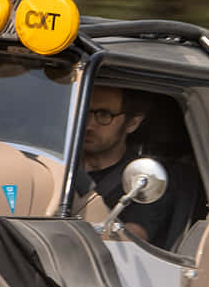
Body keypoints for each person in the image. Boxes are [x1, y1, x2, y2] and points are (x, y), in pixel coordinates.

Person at [75, 85, 191, 246]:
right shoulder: (58, 165)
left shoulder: (147, 178)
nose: (88, 125)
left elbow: (131, 243)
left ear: (133, 123)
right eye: (84, 111)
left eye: (104, 115)